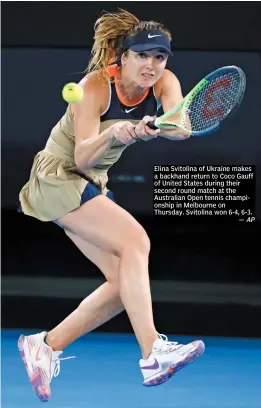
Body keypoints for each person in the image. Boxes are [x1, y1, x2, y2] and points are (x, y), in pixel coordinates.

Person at [17, 9, 205, 402]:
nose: (152, 65)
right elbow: (83, 156)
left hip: (90, 184)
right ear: (123, 56)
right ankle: (153, 352)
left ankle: (46, 345)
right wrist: (117, 133)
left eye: (160, 57)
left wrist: (157, 125)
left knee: (125, 285)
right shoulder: (94, 86)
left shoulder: (164, 82)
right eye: (143, 55)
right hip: (58, 176)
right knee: (137, 241)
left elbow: (182, 127)